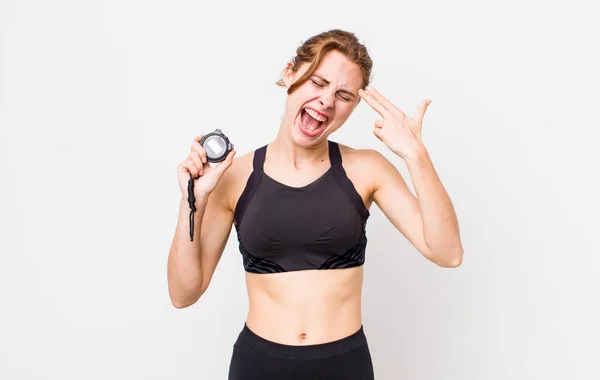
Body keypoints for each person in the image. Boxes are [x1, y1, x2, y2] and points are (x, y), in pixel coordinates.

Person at [167, 29, 463, 380]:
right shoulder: (234, 176)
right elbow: (183, 294)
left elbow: (448, 253)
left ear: (352, 107)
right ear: (290, 73)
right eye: (318, 82)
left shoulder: (366, 168)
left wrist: (416, 155)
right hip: (258, 365)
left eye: (343, 95)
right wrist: (193, 201)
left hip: (344, 365)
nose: (326, 101)